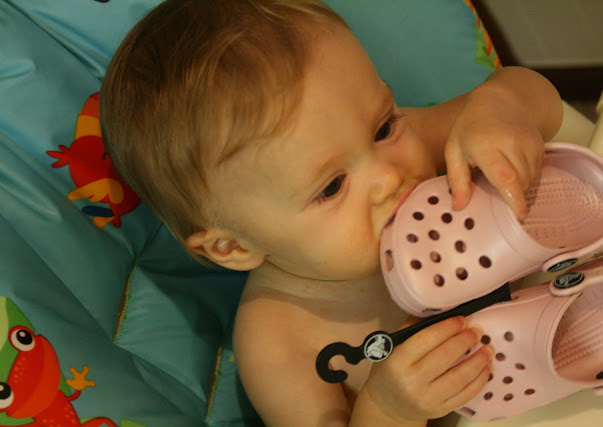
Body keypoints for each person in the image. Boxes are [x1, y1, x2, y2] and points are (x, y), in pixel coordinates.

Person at [100, 0, 563, 424]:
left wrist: (500, 107)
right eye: (332, 187)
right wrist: (389, 408)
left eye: (383, 127)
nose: (388, 176)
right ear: (233, 246)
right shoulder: (280, 341)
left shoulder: (413, 143)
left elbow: (543, 103)